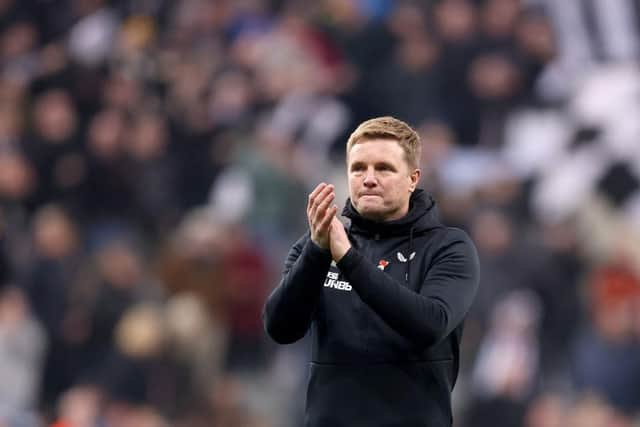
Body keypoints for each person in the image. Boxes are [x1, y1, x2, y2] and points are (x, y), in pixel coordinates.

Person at [263, 116, 480, 426]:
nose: (368, 178)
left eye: (384, 168)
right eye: (358, 168)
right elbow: (281, 328)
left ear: (413, 179)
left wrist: (348, 259)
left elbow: (430, 324)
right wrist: (317, 251)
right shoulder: (318, 245)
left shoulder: (448, 247)